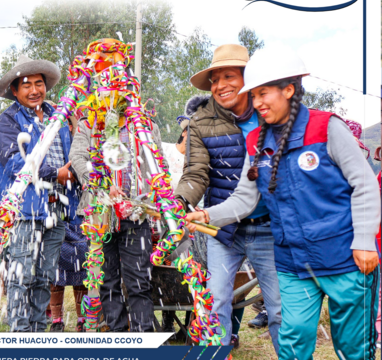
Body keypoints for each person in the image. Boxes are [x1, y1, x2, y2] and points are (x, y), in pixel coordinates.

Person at [186, 47, 380, 360]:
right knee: (293, 339)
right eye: (255, 95)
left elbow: (365, 184)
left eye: (264, 94)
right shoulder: (257, 142)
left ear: (289, 90)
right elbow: (245, 199)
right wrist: (208, 214)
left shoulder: (327, 127)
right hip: (292, 262)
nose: (258, 103)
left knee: (353, 348)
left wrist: (364, 240)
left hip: (345, 257)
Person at [175, 44, 281, 350]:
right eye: (215, 79)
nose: (221, 85)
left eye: (229, 76)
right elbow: (195, 173)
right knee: (215, 301)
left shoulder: (269, 114)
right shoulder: (200, 122)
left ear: (248, 78)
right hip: (223, 230)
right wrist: (179, 202)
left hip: (267, 227)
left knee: (276, 308)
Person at [69, 92, 165, 334]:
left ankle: (143, 339)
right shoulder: (88, 121)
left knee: (139, 283)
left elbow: (157, 161)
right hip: (99, 216)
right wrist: (101, 184)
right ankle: (117, 335)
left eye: (118, 86)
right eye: (106, 86)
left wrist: (149, 196)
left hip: (136, 214)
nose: (113, 93)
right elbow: (78, 158)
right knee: (107, 282)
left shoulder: (142, 123)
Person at [0, 55, 75, 332]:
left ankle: (38, 332)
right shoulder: (8, 121)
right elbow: (15, 163)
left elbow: (71, 154)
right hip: (24, 211)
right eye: (26, 85)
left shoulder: (58, 117)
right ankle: (20, 332)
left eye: (39, 83)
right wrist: (56, 173)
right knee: (21, 275)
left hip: (56, 208)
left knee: (44, 276)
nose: (34, 90)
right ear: (15, 91)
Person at [47, 117, 88, 333]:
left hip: (80, 215)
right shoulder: (50, 146)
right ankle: (56, 320)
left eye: (69, 126)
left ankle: (82, 318)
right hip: (56, 215)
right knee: (57, 273)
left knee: (82, 270)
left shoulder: (83, 144)